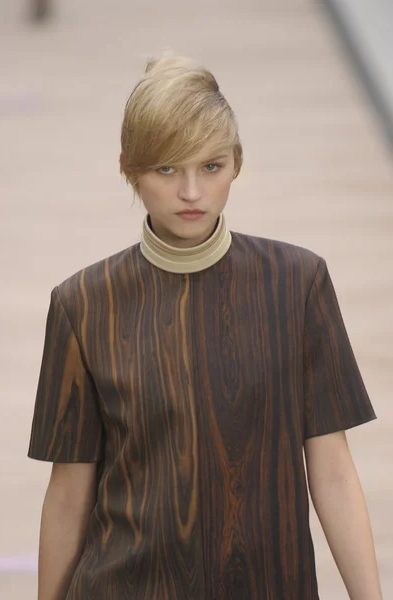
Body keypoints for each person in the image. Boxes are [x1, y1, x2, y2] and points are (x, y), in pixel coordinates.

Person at [27, 52, 383, 599]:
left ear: (237, 163)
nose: (191, 193)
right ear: (129, 167)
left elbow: (332, 469)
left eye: (210, 167)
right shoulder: (84, 304)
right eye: (166, 169)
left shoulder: (297, 283)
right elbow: (70, 493)